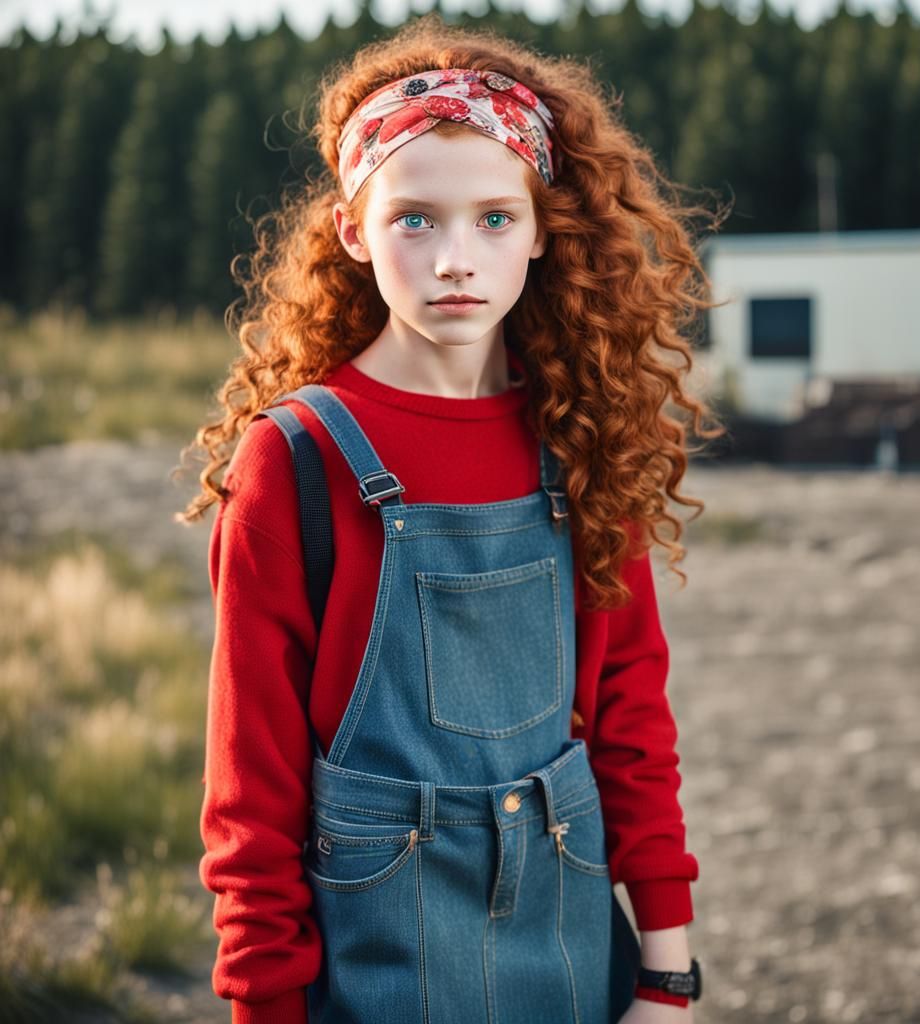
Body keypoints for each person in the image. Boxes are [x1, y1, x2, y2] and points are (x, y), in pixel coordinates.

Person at [177, 13, 728, 1024]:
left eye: (493, 218)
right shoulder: (295, 461)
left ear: (540, 227)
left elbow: (632, 723)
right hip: (373, 972)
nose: (455, 259)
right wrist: (263, 1007)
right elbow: (249, 797)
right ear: (353, 229)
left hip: (571, 959)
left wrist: (666, 971)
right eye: (414, 219)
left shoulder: (580, 435)